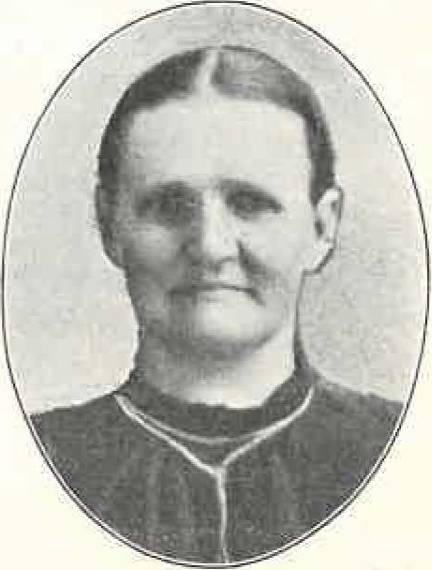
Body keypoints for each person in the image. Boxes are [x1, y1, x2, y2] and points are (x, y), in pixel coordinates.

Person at [31, 46, 401, 564]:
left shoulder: (403, 450)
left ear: (323, 227)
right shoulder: (33, 459)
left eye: (250, 204)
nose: (210, 247)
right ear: (110, 226)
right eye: (169, 205)